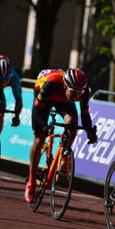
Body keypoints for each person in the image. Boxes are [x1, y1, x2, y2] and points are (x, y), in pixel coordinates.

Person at [25, 68, 98, 204]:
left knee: (72, 123)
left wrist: (90, 131)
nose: (77, 96)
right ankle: (31, 181)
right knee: (40, 138)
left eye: (79, 92)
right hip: (45, 98)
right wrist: (44, 127)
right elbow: (37, 110)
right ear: (66, 85)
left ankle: (64, 154)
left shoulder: (83, 91)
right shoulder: (51, 84)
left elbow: (85, 115)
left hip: (63, 101)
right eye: (74, 92)